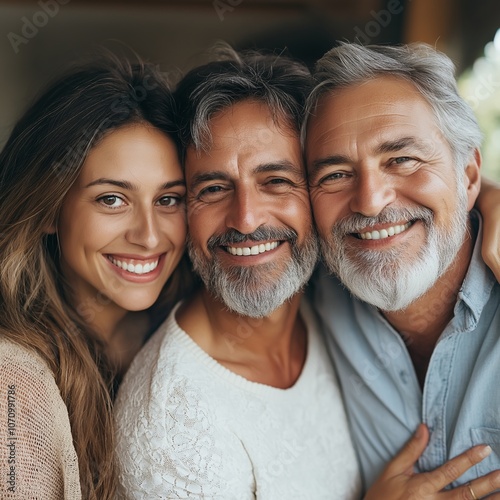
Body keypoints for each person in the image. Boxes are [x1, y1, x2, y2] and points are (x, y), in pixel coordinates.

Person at [114, 46, 500, 499]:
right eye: (214, 188)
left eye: (277, 180)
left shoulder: (333, 283)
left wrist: (482, 199)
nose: (246, 219)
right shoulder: (170, 419)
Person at [304, 41, 500, 496]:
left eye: (402, 159)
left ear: (468, 176)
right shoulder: (308, 287)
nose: (370, 201)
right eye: (335, 174)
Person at [0, 54, 191, 499]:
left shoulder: (188, 333)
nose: (148, 237)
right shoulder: (14, 381)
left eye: (168, 200)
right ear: (48, 209)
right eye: (111, 199)